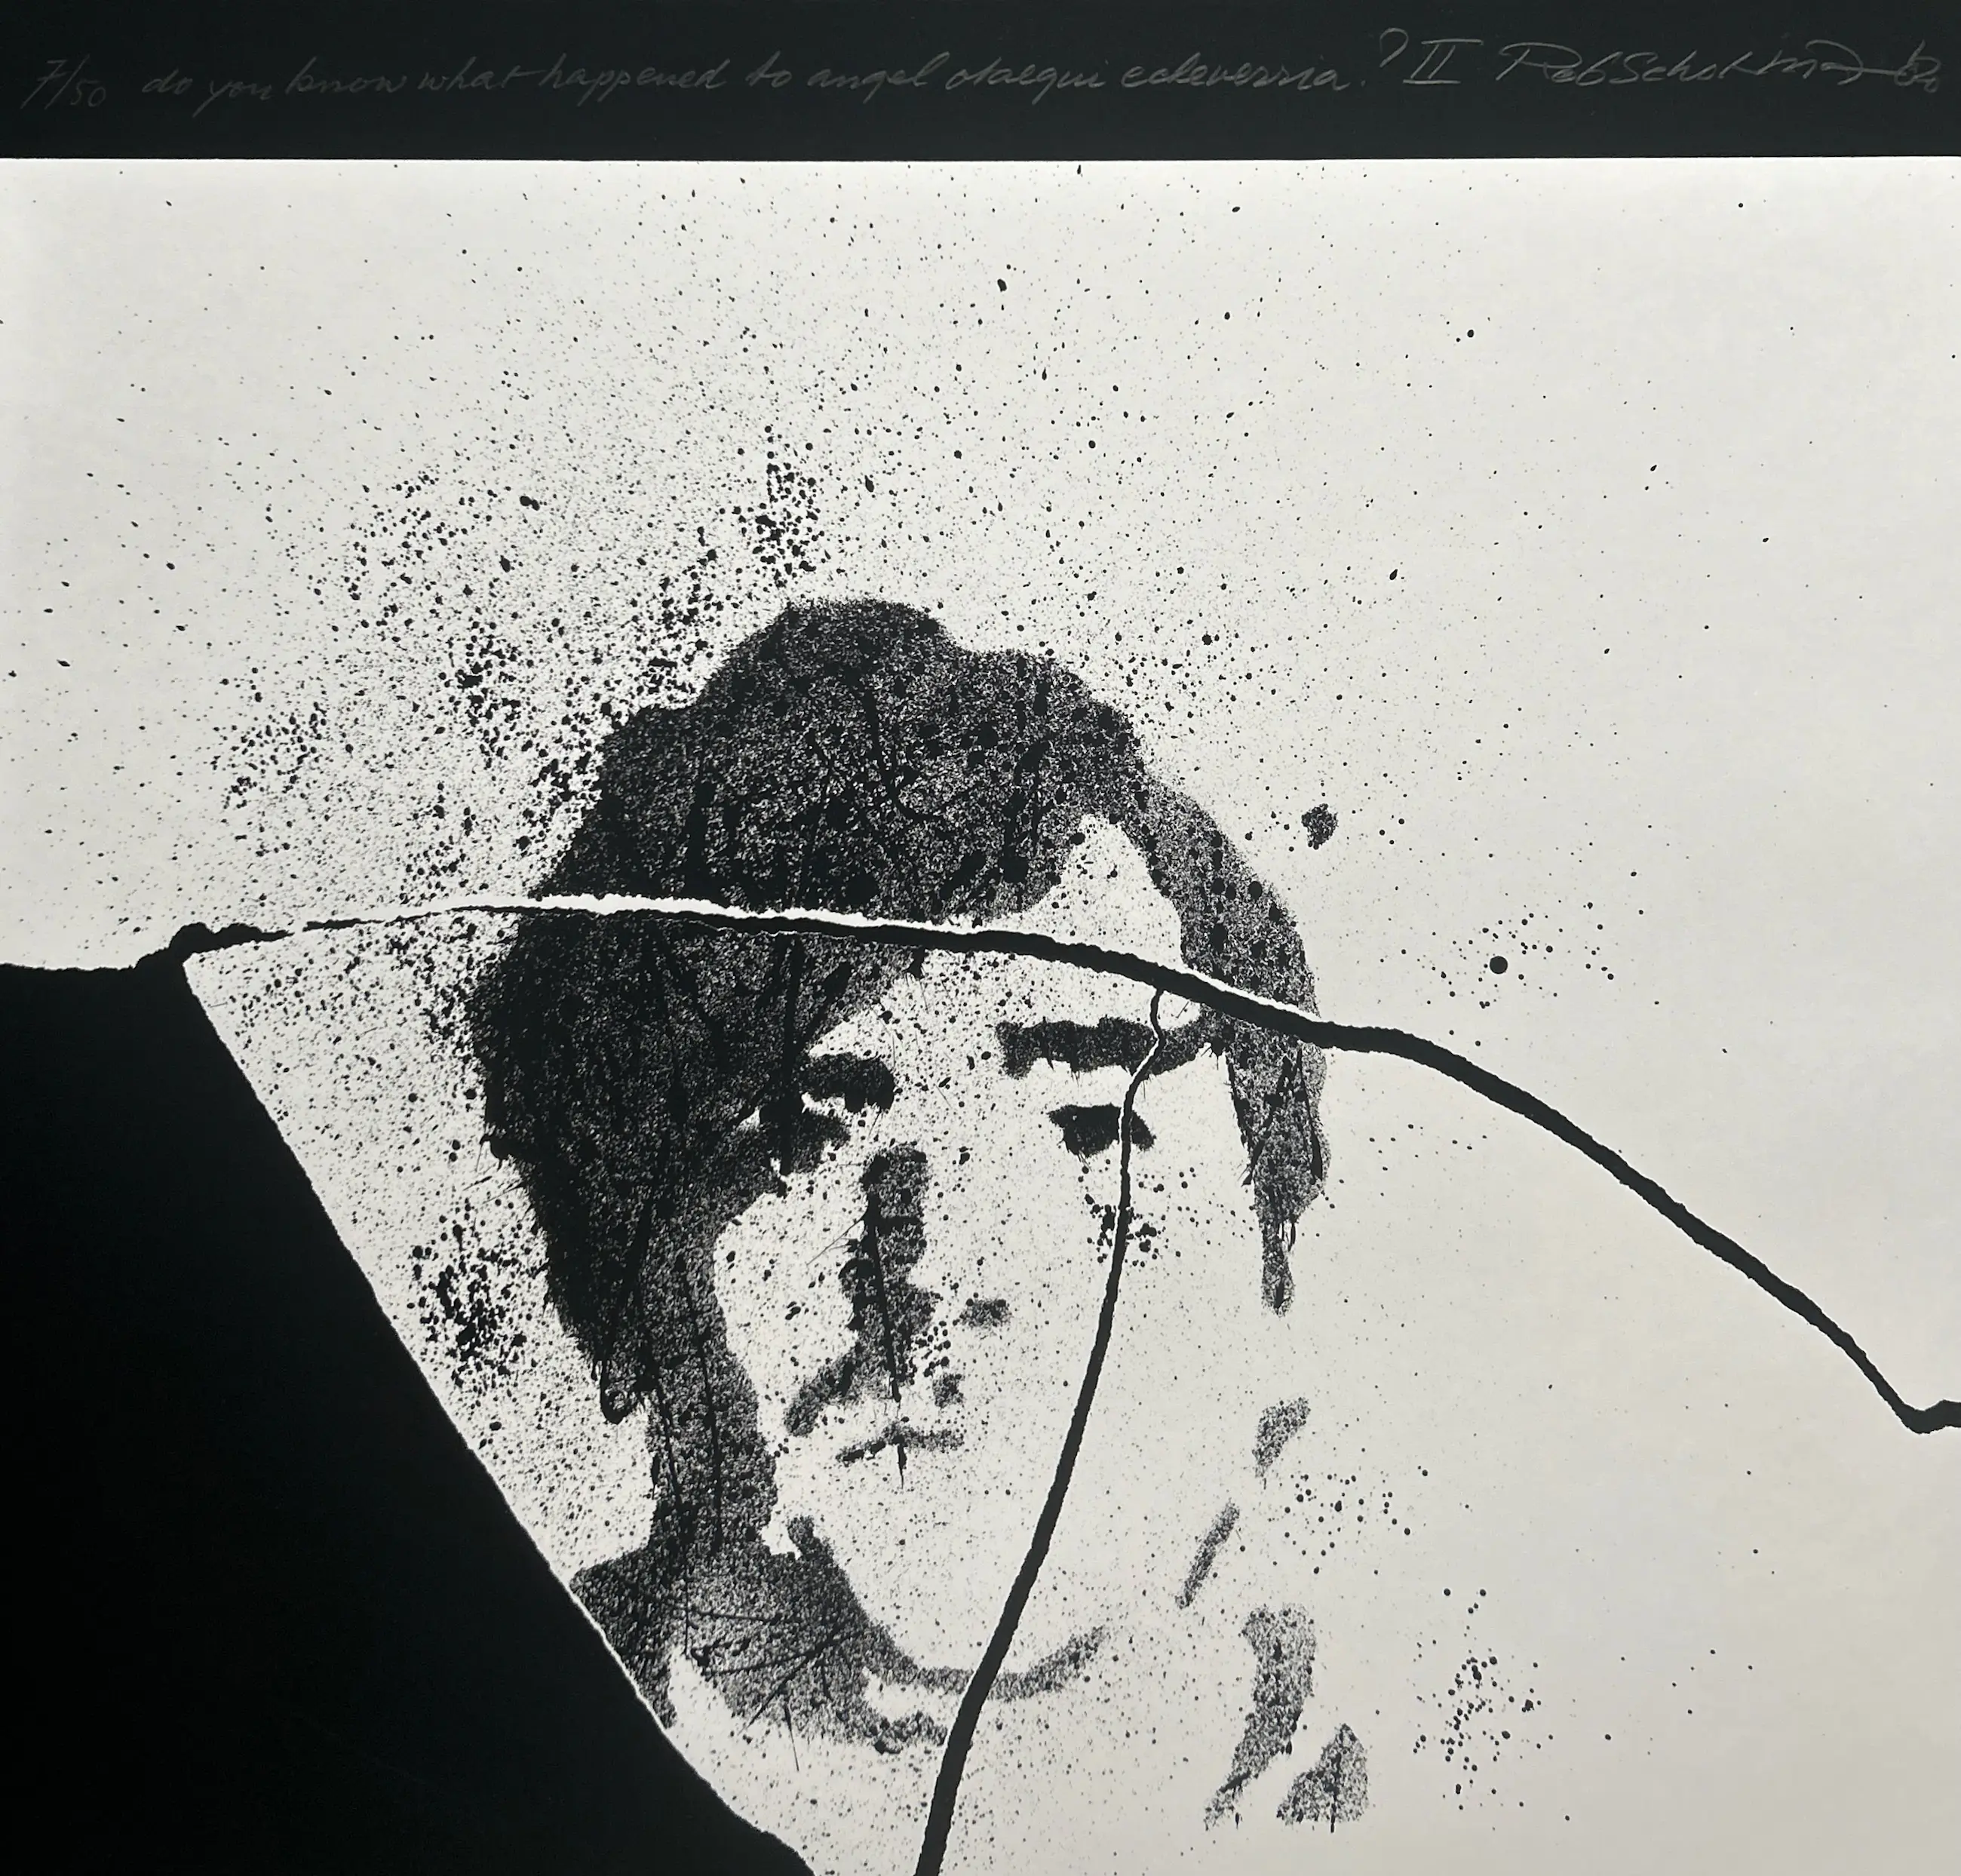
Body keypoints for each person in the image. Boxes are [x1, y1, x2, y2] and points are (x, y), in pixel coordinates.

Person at [466, 600, 1340, 1864]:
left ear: (1267, 1222)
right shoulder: (516, 1759)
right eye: (801, 1143)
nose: (919, 1263)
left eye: (1091, 1129)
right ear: (650, 1269)